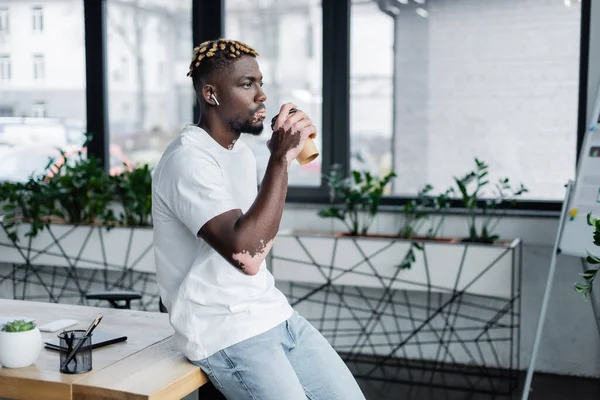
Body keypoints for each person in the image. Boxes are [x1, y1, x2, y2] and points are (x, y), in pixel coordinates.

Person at [151, 39, 366, 399]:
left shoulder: (244, 155)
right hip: (223, 328)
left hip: (273, 314)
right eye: (247, 84)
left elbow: (259, 237)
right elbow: (247, 255)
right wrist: (281, 160)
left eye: (261, 83)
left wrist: (278, 159)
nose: (262, 95)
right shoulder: (187, 160)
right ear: (211, 94)